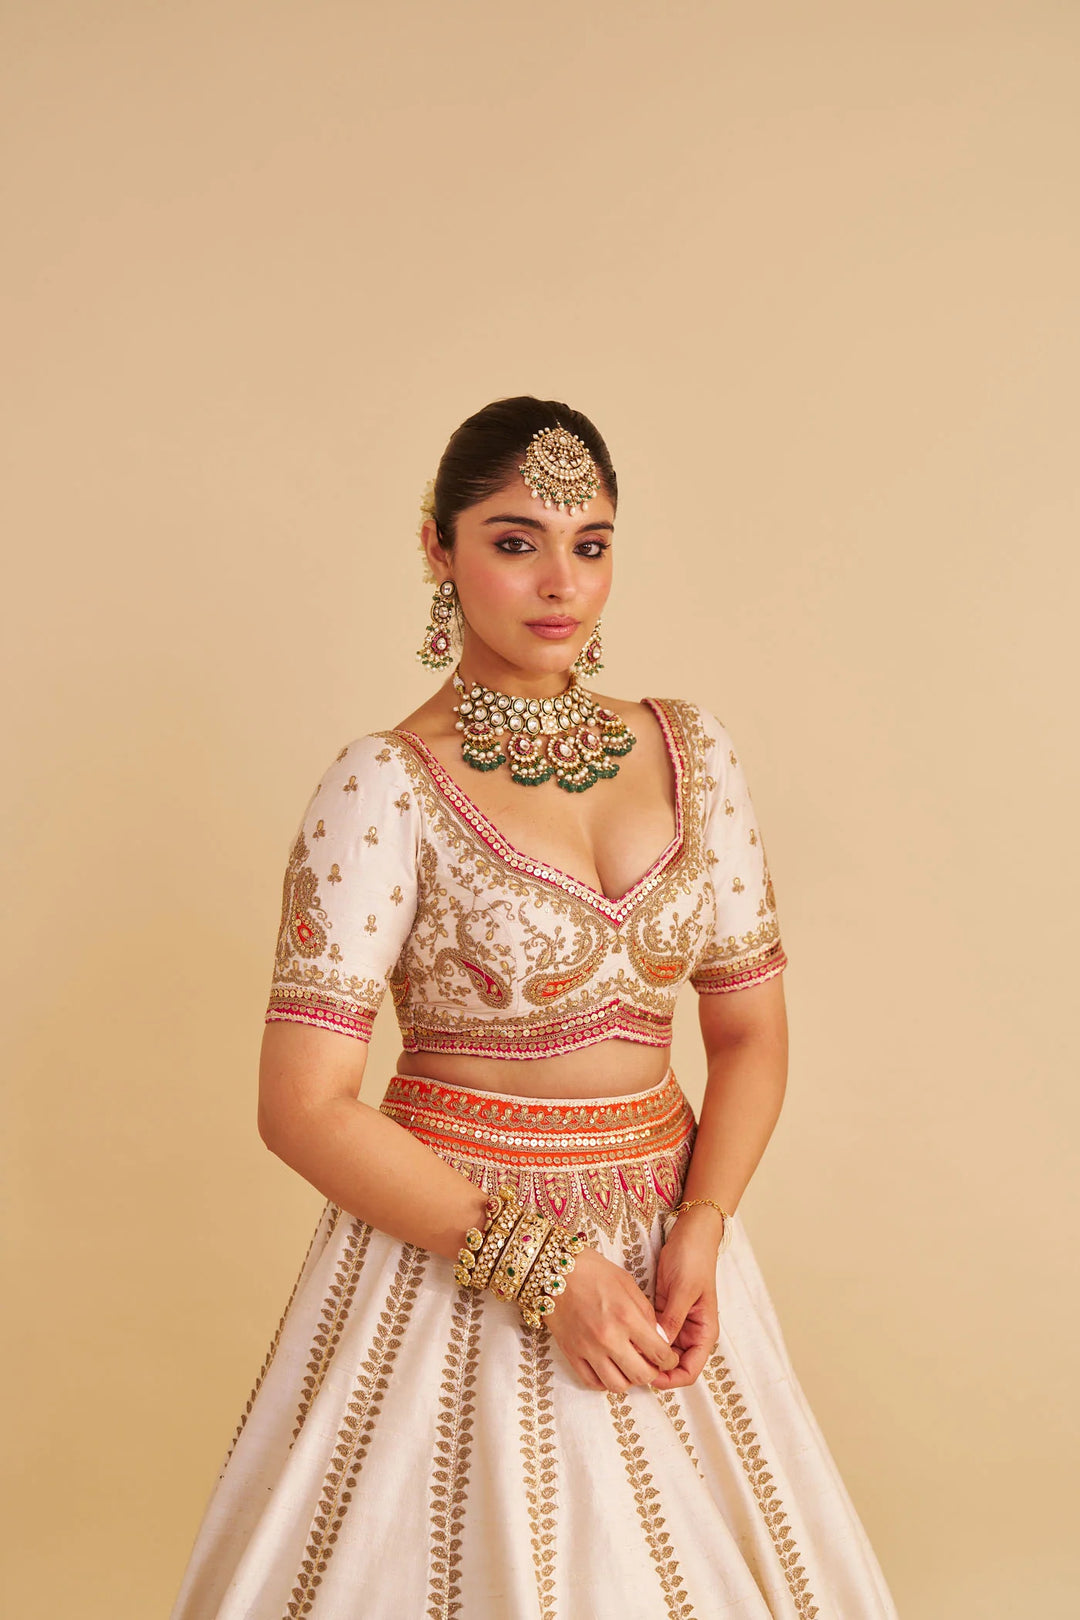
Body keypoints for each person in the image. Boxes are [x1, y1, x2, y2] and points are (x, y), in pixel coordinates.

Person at [170, 397, 899, 1619]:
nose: (562, 582)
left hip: (666, 1249)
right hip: (458, 1251)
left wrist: (705, 1222)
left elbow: (748, 1034)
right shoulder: (385, 785)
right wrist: (540, 1268)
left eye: (591, 544)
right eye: (516, 542)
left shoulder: (693, 754)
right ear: (438, 548)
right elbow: (302, 1107)